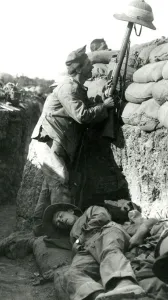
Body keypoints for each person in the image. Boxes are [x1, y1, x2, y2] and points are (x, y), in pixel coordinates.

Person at [31, 45, 114, 236]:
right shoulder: (67, 88)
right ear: (79, 68)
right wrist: (104, 106)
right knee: (60, 180)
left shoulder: (77, 88)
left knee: (49, 186)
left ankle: (38, 226)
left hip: (59, 143)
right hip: (49, 141)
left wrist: (100, 103)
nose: (92, 67)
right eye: (88, 64)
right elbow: (81, 115)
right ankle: (63, 234)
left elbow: (85, 109)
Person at [43, 203, 145, 300]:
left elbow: (102, 216)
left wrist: (81, 238)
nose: (60, 221)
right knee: (70, 273)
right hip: (87, 250)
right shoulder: (71, 237)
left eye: (60, 216)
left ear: (70, 211)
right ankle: (97, 296)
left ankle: (125, 284)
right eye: (58, 223)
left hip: (106, 232)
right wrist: (77, 246)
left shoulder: (90, 210)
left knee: (109, 252)